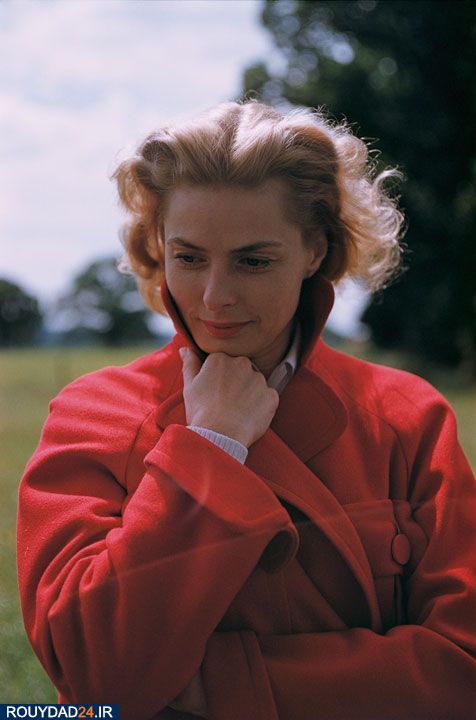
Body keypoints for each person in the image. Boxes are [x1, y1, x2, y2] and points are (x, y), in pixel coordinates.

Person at [17, 100, 476, 720]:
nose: (216, 297)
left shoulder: (406, 417)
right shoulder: (93, 415)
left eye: (253, 261)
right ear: (158, 246)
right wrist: (210, 445)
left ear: (314, 251)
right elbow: (95, 676)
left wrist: (222, 687)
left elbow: (463, 665)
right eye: (189, 258)